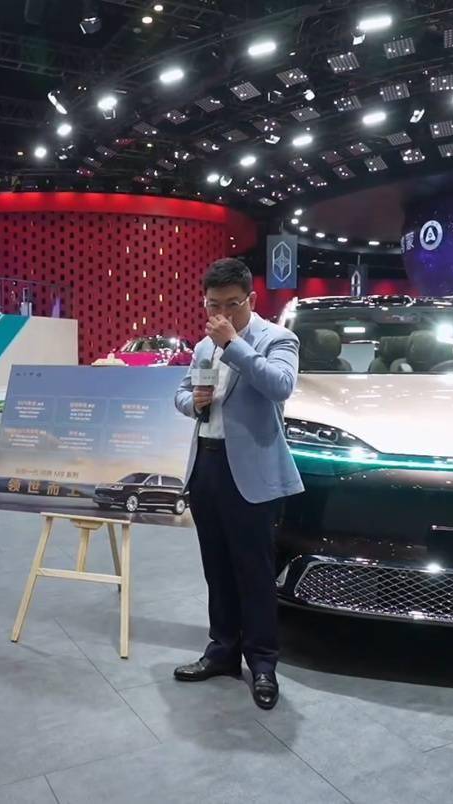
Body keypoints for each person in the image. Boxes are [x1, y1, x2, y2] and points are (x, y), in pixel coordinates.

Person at [172, 258, 303, 711]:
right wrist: (194, 402)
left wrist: (232, 344)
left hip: (251, 473)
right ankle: (222, 651)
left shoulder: (277, 338)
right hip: (206, 464)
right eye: (214, 305)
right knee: (217, 567)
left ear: (251, 298)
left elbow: (280, 385)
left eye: (232, 304)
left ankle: (263, 663)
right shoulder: (201, 347)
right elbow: (180, 394)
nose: (222, 314)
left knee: (255, 571)